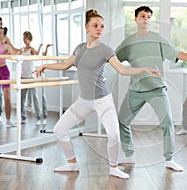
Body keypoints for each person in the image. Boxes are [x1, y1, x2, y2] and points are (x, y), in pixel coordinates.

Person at [34, 9, 161, 179]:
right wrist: (45, 66)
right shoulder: (79, 48)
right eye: (95, 26)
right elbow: (65, 65)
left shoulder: (106, 50)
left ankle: (114, 167)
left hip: (103, 100)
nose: (99, 29)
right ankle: (72, 164)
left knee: (114, 134)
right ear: (87, 28)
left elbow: (122, 69)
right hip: (84, 101)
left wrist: (143, 69)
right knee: (59, 130)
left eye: (102, 26)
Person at [116, 6, 187, 172]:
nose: (145, 19)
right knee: (122, 120)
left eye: (148, 17)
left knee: (167, 123)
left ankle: (169, 159)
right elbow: (112, 59)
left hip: (156, 89)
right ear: (136, 19)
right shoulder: (128, 42)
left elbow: (178, 54)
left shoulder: (157, 38)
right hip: (135, 89)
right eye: (142, 16)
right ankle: (128, 154)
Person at [20, 31, 48, 126]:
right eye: (23, 38)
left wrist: (40, 47)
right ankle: (23, 117)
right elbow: (15, 52)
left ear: (30, 40)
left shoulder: (31, 49)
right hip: (23, 76)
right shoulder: (22, 49)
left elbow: (36, 54)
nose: (24, 40)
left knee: (35, 98)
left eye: (26, 38)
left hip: (31, 77)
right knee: (22, 99)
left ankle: (39, 118)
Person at [0, 27, 19, 126]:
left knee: (7, 97)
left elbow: (15, 53)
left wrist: (18, 53)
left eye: (1, 33)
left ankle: (8, 119)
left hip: (4, 71)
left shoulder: (5, 46)